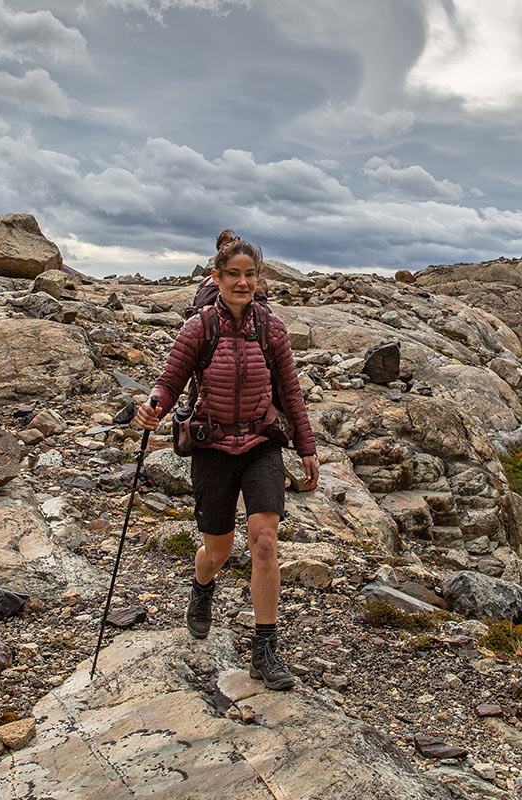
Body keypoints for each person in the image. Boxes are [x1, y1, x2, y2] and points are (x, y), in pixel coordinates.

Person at [134, 230, 318, 690]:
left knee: (264, 541)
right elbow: (169, 381)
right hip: (212, 448)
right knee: (217, 551)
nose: (242, 283)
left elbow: (290, 392)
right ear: (216, 278)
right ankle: (202, 587)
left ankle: (265, 648)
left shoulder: (271, 329)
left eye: (250, 275)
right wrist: (153, 404)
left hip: (261, 445)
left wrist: (307, 447)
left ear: (259, 278)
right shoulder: (199, 327)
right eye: (233, 275)